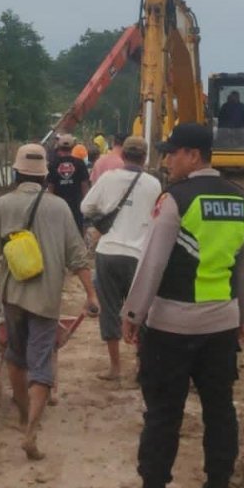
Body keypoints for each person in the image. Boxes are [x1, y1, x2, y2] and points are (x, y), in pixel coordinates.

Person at [121, 123, 244, 488]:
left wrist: (133, 315)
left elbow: (153, 263)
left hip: (171, 328)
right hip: (221, 326)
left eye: (173, 153)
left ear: (193, 156)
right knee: (220, 411)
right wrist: (243, 319)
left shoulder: (176, 200)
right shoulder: (242, 202)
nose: (167, 160)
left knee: (164, 413)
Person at [0, 143, 101, 461]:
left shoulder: (2, 206)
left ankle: (22, 414)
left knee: (15, 356)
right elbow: (77, 257)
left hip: (12, 296)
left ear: (16, 172)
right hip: (47, 297)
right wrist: (91, 295)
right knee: (41, 361)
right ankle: (31, 430)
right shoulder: (60, 208)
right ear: (44, 175)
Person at [80, 136, 161, 381]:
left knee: (110, 310)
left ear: (123, 156)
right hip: (139, 256)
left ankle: (115, 368)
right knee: (141, 312)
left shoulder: (108, 178)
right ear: (145, 158)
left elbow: (85, 207)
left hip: (109, 253)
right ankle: (141, 367)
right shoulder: (153, 184)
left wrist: (104, 216)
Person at [47, 134, 90, 233]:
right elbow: (85, 186)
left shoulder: (53, 164)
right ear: (73, 147)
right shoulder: (80, 163)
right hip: (76, 206)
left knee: (59, 233)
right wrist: (85, 205)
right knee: (77, 234)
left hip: (58, 206)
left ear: (58, 146)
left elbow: (50, 188)